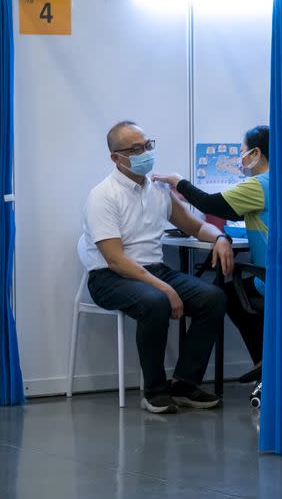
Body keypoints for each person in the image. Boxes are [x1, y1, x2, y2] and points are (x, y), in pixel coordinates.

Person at [83, 121, 234, 415]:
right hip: (110, 277)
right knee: (155, 302)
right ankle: (154, 391)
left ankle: (184, 384)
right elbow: (114, 259)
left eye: (147, 145)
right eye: (135, 149)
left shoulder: (159, 190)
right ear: (116, 158)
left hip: (154, 270)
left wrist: (219, 237)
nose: (145, 153)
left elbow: (193, 226)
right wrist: (164, 288)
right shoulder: (103, 195)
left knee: (213, 298)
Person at [153, 126, 269, 383]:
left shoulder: (259, 184)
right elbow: (233, 212)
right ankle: (265, 362)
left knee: (228, 289)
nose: (241, 159)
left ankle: (264, 361)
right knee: (233, 287)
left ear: (256, 152)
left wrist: (178, 181)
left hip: (271, 280)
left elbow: (212, 205)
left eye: (242, 152)